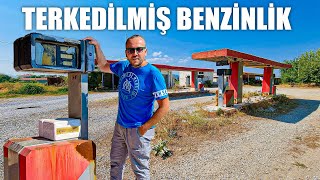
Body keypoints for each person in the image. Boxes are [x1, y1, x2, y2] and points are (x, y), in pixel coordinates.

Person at [85, 35, 170, 180]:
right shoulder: (123, 66)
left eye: (139, 49)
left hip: (138, 130)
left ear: (145, 51)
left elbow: (164, 106)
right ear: (126, 53)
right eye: (131, 50)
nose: (135, 53)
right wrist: (97, 46)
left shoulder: (153, 74)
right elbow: (103, 65)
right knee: (115, 164)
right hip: (120, 127)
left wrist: (145, 127)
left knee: (140, 171)